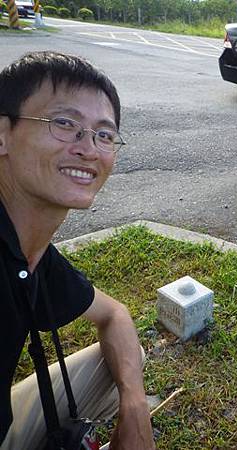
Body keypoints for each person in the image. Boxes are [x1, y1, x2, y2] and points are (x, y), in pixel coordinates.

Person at [0, 51, 155, 449]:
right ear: (2, 134)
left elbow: (114, 314)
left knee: (126, 354)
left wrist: (135, 409)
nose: (88, 149)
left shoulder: (29, 251)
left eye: (104, 134)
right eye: (64, 124)